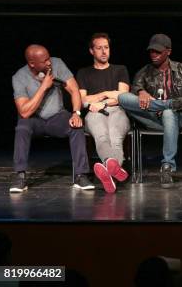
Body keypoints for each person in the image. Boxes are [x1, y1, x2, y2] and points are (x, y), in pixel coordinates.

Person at [118, 34, 182, 188]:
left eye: (157, 52)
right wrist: (140, 92)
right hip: (154, 118)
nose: (153, 55)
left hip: (180, 117)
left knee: (169, 112)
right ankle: (164, 105)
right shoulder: (144, 72)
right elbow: (134, 90)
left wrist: (172, 106)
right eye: (151, 52)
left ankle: (167, 166)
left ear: (168, 51)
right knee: (122, 98)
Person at [11, 45, 94, 193]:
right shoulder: (19, 77)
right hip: (33, 120)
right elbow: (24, 112)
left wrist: (76, 113)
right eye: (44, 61)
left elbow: (74, 89)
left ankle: (80, 175)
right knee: (21, 127)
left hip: (57, 116)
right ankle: (20, 176)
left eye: (48, 58)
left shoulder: (57, 64)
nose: (49, 63)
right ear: (32, 63)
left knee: (76, 126)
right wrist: (43, 87)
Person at [76, 33, 130, 193]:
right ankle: (113, 168)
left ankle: (108, 169)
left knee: (115, 137)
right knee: (101, 137)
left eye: (106, 47)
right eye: (99, 48)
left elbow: (122, 97)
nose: (104, 51)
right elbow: (82, 100)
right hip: (94, 113)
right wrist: (105, 94)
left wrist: (101, 102)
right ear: (91, 51)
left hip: (117, 110)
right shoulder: (84, 73)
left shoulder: (120, 69)